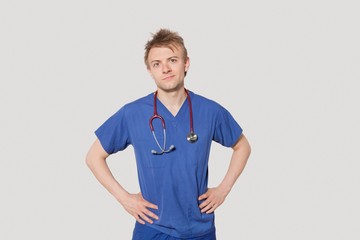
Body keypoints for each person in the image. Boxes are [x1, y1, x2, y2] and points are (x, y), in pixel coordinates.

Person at [86, 29, 251, 240]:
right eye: (157, 64)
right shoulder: (132, 113)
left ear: (186, 63)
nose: (165, 68)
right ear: (150, 71)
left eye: (172, 60)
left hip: (199, 229)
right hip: (153, 228)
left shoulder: (210, 111)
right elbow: (93, 157)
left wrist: (223, 189)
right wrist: (124, 198)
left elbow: (242, 146)